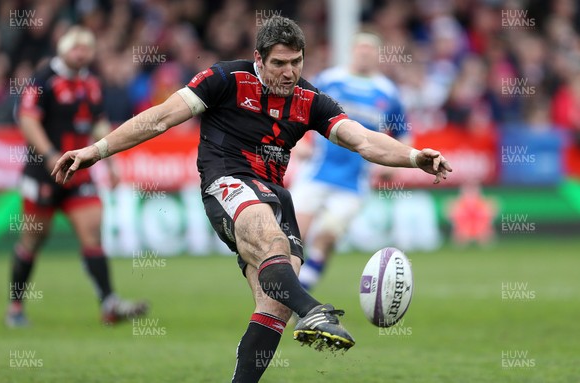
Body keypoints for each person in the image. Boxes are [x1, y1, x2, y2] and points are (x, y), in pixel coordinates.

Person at [51, 17, 451, 382]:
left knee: (274, 302)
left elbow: (364, 140)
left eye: (296, 62)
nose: (289, 71)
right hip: (227, 182)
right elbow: (160, 118)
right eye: (280, 63)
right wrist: (96, 150)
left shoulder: (310, 100)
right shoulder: (224, 79)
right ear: (259, 59)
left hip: (276, 193)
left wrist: (415, 157)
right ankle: (314, 310)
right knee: (272, 245)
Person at [6, 26, 148, 327]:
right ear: (63, 49)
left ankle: (109, 304)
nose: (81, 53)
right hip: (43, 174)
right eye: (76, 48)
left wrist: (109, 162)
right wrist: (48, 155)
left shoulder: (91, 84)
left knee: (92, 233)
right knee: (33, 239)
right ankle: (15, 307)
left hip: (78, 174)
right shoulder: (44, 79)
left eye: (86, 48)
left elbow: (96, 123)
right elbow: (28, 120)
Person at [290, 32, 409, 291]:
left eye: (370, 49)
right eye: (360, 48)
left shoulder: (388, 92)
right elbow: (298, 111)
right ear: (352, 51)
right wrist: (299, 142)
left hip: (353, 182)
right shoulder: (329, 80)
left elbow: (403, 134)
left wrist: (390, 165)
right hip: (316, 172)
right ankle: (287, 296)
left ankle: (301, 293)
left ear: (377, 55)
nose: (364, 53)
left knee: (326, 237)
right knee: (294, 238)